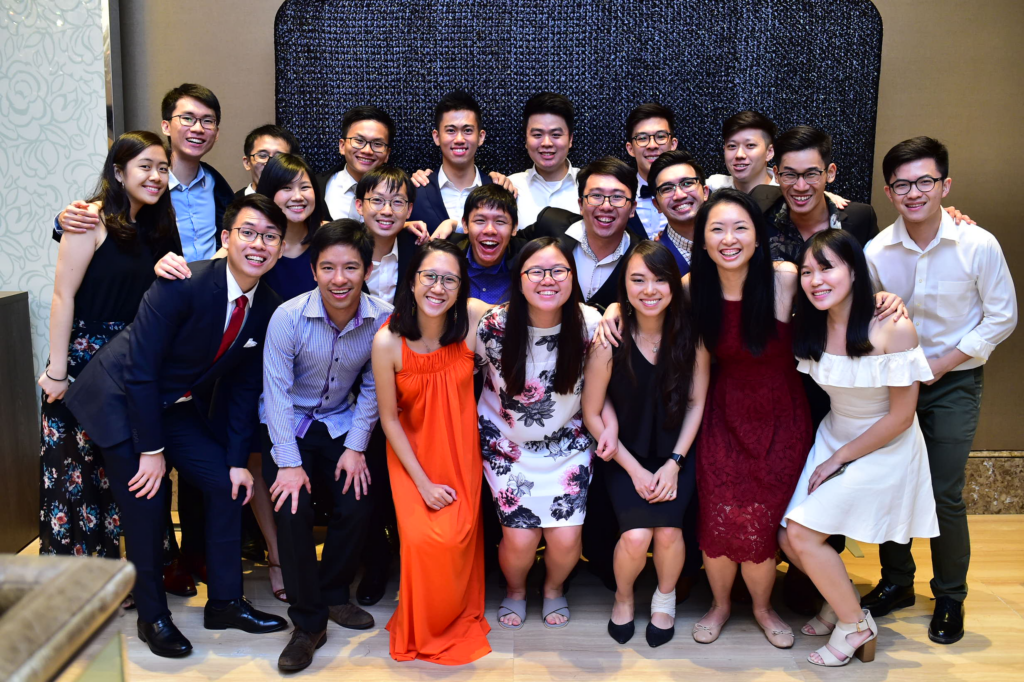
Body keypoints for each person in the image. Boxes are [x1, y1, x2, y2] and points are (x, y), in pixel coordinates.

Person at [63, 194, 289, 657]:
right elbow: (140, 370)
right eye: (248, 232)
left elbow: (244, 388)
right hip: (120, 396)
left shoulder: (268, 305)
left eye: (270, 237)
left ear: (281, 248)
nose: (258, 244)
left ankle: (225, 602)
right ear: (226, 238)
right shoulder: (183, 283)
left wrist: (237, 461)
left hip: (173, 402)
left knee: (228, 485)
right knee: (146, 502)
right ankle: (152, 617)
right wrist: (151, 450)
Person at [862, 136, 1017, 645]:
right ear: (889, 192)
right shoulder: (876, 251)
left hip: (955, 382)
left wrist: (944, 362)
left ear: (945, 185)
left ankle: (950, 594)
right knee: (892, 482)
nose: (914, 192)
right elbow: (865, 319)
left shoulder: (978, 244)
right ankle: (897, 582)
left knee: (943, 490)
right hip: (895, 383)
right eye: (902, 184)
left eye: (925, 181)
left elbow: (1002, 316)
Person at [779, 229, 939, 667]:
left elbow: (901, 417)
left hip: (885, 444)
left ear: (854, 271)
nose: (815, 280)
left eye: (827, 268)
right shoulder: (811, 323)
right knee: (788, 538)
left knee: (803, 535)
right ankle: (843, 603)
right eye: (807, 272)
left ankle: (856, 626)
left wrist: (840, 458)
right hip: (835, 433)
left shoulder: (893, 327)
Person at [38, 131, 180, 558]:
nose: (156, 176)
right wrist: (58, 371)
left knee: (126, 470)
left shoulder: (158, 226)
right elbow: (62, 297)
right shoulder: (89, 219)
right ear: (118, 172)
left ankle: (141, 574)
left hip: (131, 362)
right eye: (145, 166)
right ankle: (84, 580)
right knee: (77, 475)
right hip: (82, 361)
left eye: (163, 168)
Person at [261, 220, 391, 671]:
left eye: (351, 267)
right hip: (288, 424)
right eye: (328, 268)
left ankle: (334, 592)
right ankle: (308, 622)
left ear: (368, 271)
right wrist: (288, 463)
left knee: (357, 499)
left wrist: (356, 447)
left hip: (338, 421)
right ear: (313, 270)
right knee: (292, 508)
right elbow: (276, 394)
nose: (340, 279)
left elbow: (374, 386)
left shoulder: (382, 317)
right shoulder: (288, 317)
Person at [687, 189, 812, 648]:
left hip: (782, 414)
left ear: (758, 237)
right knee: (718, 513)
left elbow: (843, 290)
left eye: (741, 228)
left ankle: (762, 607)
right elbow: (646, 301)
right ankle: (720, 604)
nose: (729, 239)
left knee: (762, 518)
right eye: (717, 229)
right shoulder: (693, 287)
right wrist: (616, 308)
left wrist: (883, 299)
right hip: (723, 413)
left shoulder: (784, 279)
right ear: (703, 240)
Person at [581, 241, 710, 647]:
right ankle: (623, 597)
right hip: (623, 456)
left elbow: (696, 404)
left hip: (677, 453)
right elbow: (591, 412)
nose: (649, 290)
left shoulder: (693, 337)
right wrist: (634, 469)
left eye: (659, 280)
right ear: (624, 286)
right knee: (637, 537)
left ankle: (664, 599)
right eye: (638, 280)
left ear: (674, 285)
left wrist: (675, 462)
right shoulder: (610, 340)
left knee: (669, 533)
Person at [372, 240, 493, 664]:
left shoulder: (472, 319)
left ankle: (454, 612)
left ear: (461, 288)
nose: (438, 287)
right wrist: (422, 484)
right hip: (412, 456)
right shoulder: (387, 341)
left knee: (457, 538)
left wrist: (607, 312)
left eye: (450, 280)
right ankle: (425, 623)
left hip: (460, 450)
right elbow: (388, 420)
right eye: (430, 276)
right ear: (412, 280)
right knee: (425, 541)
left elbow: (533, 308)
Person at [477, 237, 603, 629]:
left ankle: (553, 588)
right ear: (519, 278)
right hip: (506, 444)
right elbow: (461, 375)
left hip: (567, 444)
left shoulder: (592, 325)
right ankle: (516, 590)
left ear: (572, 276)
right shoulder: (493, 326)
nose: (547, 279)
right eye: (536, 271)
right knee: (520, 539)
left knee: (566, 539)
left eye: (558, 271)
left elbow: (599, 394)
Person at [523, 156, 648, 311]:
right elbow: (506, 251)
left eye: (617, 197)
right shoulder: (549, 224)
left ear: (632, 209)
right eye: (596, 196)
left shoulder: (644, 256)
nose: (606, 206)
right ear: (581, 204)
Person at [749, 126, 878, 264]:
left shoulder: (860, 219)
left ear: (830, 173)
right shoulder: (759, 201)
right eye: (789, 175)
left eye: (811, 174)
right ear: (776, 174)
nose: (801, 187)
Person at [508, 92, 579, 227]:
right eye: (537, 135)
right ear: (526, 140)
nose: (546, 143)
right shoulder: (511, 186)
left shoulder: (590, 186)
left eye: (555, 134)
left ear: (570, 139)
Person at [315, 105, 395, 222]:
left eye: (377, 144)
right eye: (359, 141)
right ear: (342, 146)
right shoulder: (314, 187)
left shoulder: (403, 192)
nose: (367, 150)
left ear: (387, 154)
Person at [354, 165, 420, 305]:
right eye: (377, 200)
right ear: (359, 206)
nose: (387, 211)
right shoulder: (341, 250)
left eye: (397, 202)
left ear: (409, 210)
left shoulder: (418, 253)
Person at [449, 184, 525, 304]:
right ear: (465, 225)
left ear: (514, 227)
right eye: (480, 220)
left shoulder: (527, 267)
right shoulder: (447, 260)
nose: (490, 230)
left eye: (500, 221)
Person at [648, 150, 711, 275]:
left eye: (687, 183)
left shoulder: (730, 241)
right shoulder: (652, 260)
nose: (679, 195)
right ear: (657, 204)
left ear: (705, 192)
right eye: (667, 189)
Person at [625, 103, 678, 239]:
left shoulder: (692, 195)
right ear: (630, 149)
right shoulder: (618, 197)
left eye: (660, 136)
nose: (652, 145)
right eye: (642, 138)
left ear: (673, 144)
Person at [706, 110, 778, 193]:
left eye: (750, 145)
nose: (739, 155)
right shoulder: (712, 189)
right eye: (732, 146)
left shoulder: (785, 193)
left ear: (769, 152)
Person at [234, 124, 299, 200]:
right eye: (263, 156)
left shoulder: (298, 202)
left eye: (279, 157)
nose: (269, 163)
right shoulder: (230, 203)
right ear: (247, 163)